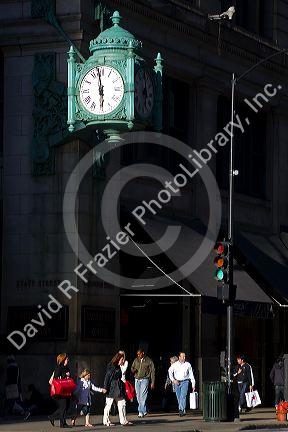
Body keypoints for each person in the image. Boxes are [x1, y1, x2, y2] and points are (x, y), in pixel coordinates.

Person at [103, 352, 133, 426]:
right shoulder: (112, 366)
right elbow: (107, 377)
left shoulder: (118, 367)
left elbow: (119, 378)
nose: (123, 361)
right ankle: (106, 421)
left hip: (118, 387)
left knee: (122, 403)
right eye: (122, 359)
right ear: (118, 359)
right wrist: (105, 387)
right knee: (109, 405)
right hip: (112, 388)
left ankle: (123, 421)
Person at [48, 353, 72, 428]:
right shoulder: (59, 367)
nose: (68, 359)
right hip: (60, 391)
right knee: (63, 406)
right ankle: (62, 424)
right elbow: (56, 379)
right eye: (67, 358)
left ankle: (52, 417)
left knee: (66, 406)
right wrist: (64, 378)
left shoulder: (67, 368)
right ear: (63, 359)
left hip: (66, 390)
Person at [168, 352, 196, 416]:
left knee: (183, 396)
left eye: (185, 356)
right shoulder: (175, 365)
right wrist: (173, 380)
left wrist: (193, 384)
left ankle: (180, 409)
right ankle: (183, 410)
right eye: (182, 356)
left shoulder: (188, 364)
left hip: (185, 381)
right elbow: (170, 371)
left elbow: (191, 375)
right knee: (179, 397)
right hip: (177, 382)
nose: (184, 358)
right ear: (179, 357)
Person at [131, 348, 155, 418]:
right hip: (137, 379)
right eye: (137, 354)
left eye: (139, 354)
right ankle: (143, 410)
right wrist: (133, 370)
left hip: (145, 379)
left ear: (143, 353)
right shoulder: (136, 360)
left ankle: (140, 411)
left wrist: (152, 382)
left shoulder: (149, 361)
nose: (138, 355)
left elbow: (152, 371)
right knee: (138, 395)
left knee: (143, 395)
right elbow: (132, 367)